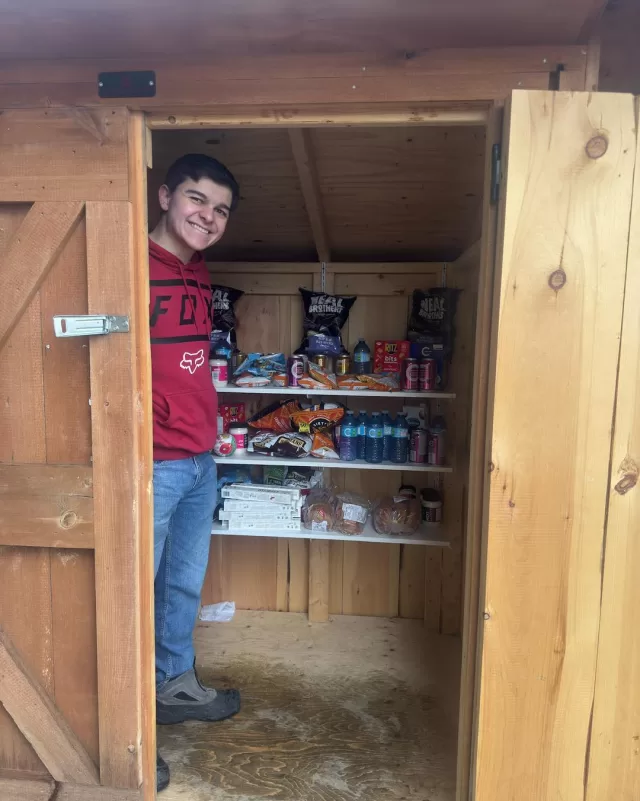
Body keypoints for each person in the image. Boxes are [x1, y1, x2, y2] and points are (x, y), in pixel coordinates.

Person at [148, 154, 241, 792]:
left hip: (198, 456)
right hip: (151, 459)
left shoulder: (199, 269)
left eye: (220, 209)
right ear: (164, 195)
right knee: (129, 590)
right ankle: (124, 724)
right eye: (195, 199)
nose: (206, 216)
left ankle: (174, 684)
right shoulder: (129, 263)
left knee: (182, 586)